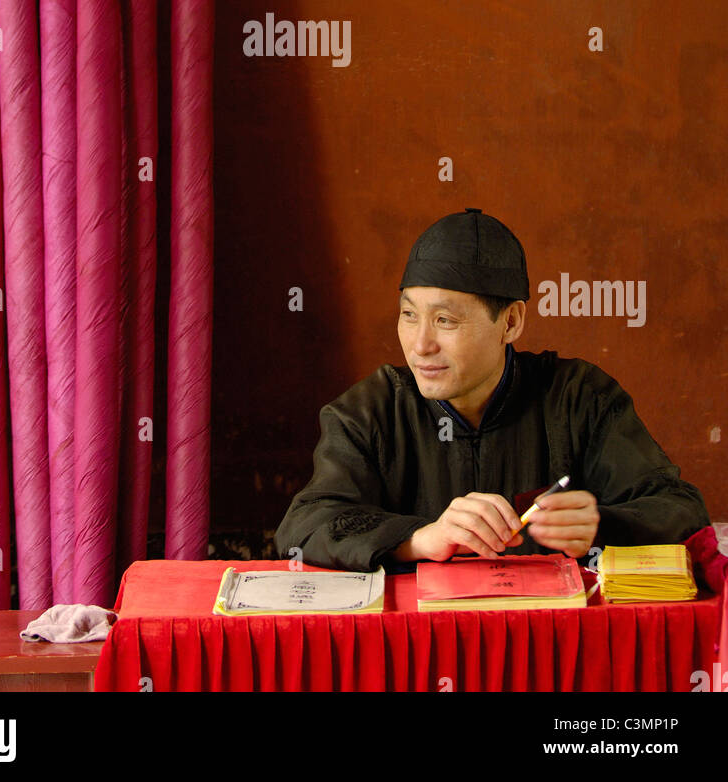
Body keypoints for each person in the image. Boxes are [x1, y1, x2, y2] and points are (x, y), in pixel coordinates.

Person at [275, 208, 711, 571]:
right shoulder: (370, 412)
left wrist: (600, 525)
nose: (420, 344)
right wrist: (420, 538)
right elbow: (305, 526)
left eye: (445, 320)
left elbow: (680, 508)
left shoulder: (579, 399)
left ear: (511, 322)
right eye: (409, 316)